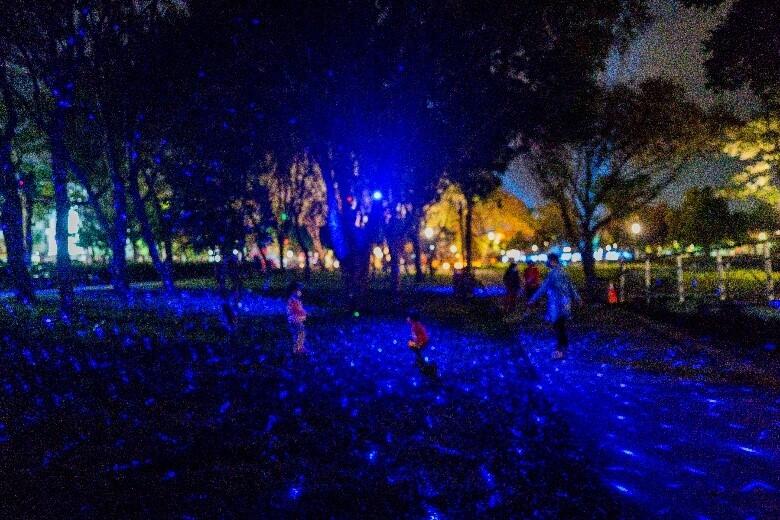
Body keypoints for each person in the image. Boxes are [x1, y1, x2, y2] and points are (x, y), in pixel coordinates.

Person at [527, 254, 581, 359]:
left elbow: (543, 288)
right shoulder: (564, 272)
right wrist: (578, 298)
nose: (547, 262)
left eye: (549, 261)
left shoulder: (552, 274)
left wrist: (532, 299)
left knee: (558, 327)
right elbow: (571, 287)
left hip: (557, 305)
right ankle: (563, 347)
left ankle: (560, 350)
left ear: (552, 261)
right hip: (565, 303)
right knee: (561, 326)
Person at [286, 282, 308, 354]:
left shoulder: (295, 300)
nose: (300, 292)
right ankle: (298, 349)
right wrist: (302, 313)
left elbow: (299, 309)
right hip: (295, 320)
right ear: (295, 290)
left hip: (297, 319)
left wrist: (303, 312)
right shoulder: (293, 300)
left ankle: (298, 348)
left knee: (300, 333)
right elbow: (295, 310)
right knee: (300, 333)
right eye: (299, 290)